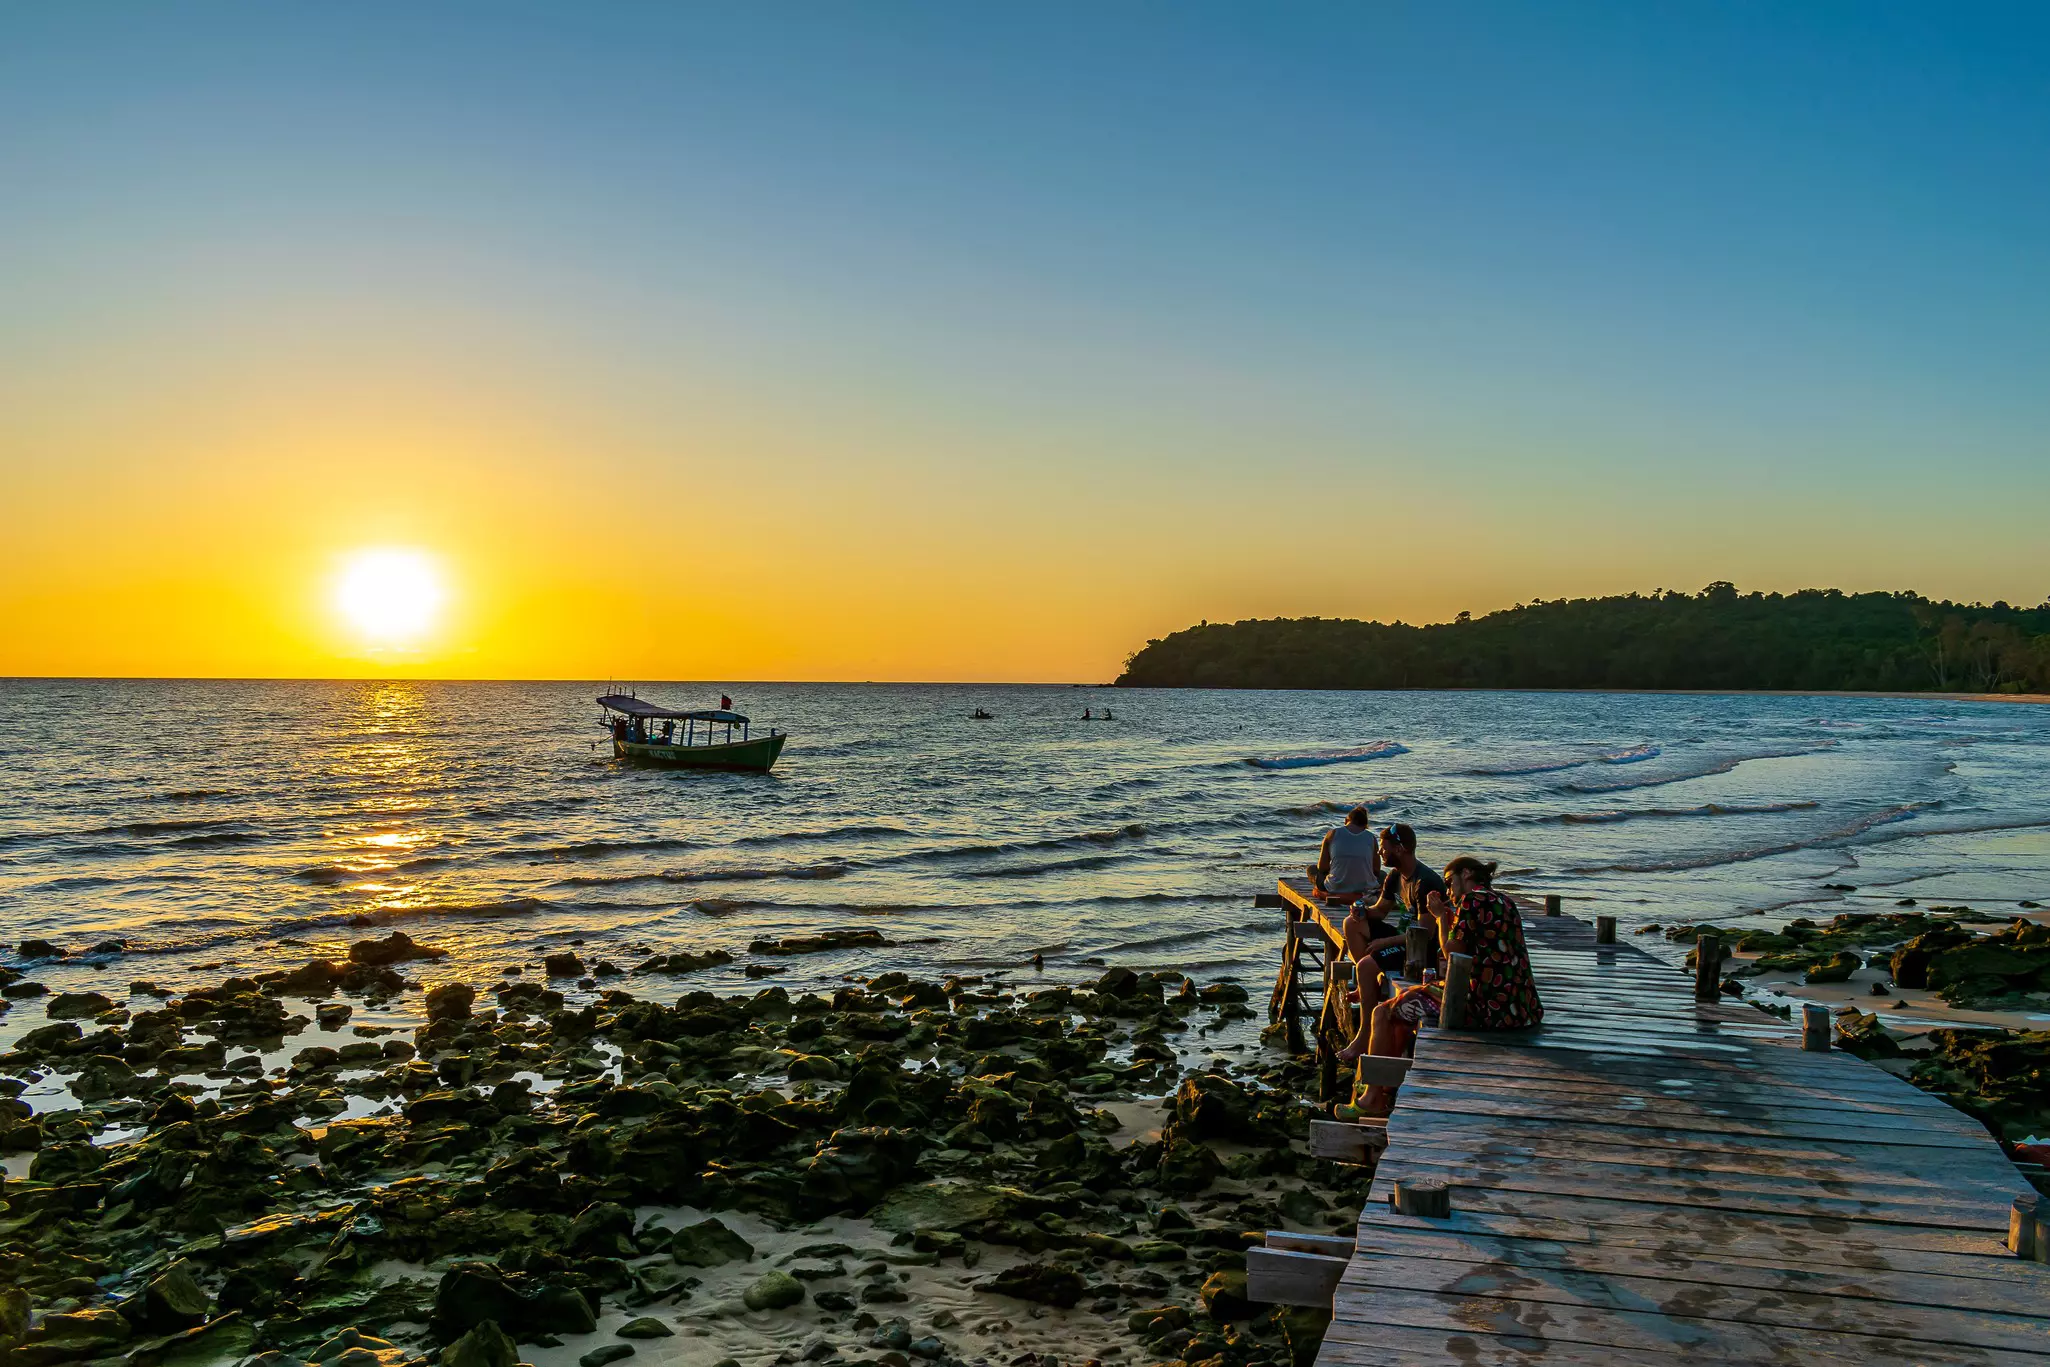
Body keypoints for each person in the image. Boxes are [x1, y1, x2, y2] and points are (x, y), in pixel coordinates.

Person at [1349, 855, 1544, 1114]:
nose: (1449, 891)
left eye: (1450, 883)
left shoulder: (1471, 900)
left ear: (1466, 874)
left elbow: (1452, 952)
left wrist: (1440, 918)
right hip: (1520, 1007)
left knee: (1382, 1011)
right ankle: (1387, 1087)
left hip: (1483, 1005)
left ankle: (1374, 1096)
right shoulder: (1504, 901)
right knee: (1405, 1008)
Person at [1336, 823, 1444, 1054]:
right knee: (1351, 924)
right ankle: (1370, 987)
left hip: (1420, 951)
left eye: (1383, 849)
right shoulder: (1395, 876)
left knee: (1365, 965)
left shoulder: (1425, 882)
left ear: (1400, 849)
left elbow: (1426, 933)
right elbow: (1380, 911)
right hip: (1403, 937)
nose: (1379, 853)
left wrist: (1385, 943)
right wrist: (1361, 910)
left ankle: (1364, 1036)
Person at [1308, 805, 1381, 901]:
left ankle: (1327, 892)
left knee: (1312, 870)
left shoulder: (1332, 834)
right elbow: (1376, 870)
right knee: (1383, 875)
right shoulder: (1371, 837)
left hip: (1335, 888)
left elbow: (1322, 867)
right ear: (1365, 826)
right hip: (1365, 888)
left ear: (1346, 821)